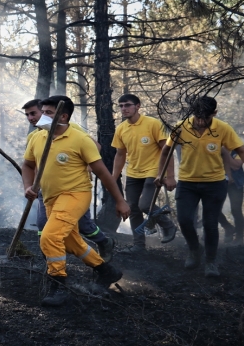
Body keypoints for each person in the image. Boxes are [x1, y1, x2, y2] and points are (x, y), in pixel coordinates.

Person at [22, 95, 131, 307]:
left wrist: (120, 200)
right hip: (51, 198)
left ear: (63, 116)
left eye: (48, 113)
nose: (41, 117)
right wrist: (28, 186)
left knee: (49, 237)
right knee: (70, 242)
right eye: (42, 111)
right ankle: (106, 270)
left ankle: (58, 284)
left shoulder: (80, 139)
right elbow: (27, 165)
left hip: (76, 194)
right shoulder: (37, 137)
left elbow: (103, 173)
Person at [155, 96, 244, 277]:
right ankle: (194, 249)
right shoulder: (181, 127)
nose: (200, 121)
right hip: (187, 183)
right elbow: (166, 150)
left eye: (204, 117)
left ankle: (211, 262)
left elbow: (242, 150)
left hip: (214, 184)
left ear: (214, 113)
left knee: (210, 224)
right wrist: (165, 175)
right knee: (184, 220)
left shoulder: (223, 129)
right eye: (197, 116)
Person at [22, 99, 115, 262]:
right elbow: (32, 163)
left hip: (73, 190)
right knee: (44, 225)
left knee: (84, 226)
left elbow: (95, 149)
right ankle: (51, 261)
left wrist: (85, 166)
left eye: (34, 113)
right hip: (47, 190)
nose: (31, 118)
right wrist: (31, 185)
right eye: (28, 115)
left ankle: (104, 242)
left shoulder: (72, 130)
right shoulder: (34, 136)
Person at [111, 94, 178, 253]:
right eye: (121, 106)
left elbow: (167, 151)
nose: (124, 109)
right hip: (134, 173)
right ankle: (139, 246)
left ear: (138, 106)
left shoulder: (153, 124)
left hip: (154, 171)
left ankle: (168, 225)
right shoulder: (121, 128)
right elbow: (120, 155)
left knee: (145, 204)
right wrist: (113, 177)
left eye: (127, 105)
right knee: (132, 208)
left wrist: (170, 176)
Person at [218, 147, 244, 244]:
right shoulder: (213, 146)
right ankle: (228, 227)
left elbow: (236, 165)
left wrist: (224, 152)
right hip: (218, 182)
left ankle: (239, 237)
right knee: (214, 209)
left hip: (235, 183)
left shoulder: (237, 150)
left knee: (236, 210)